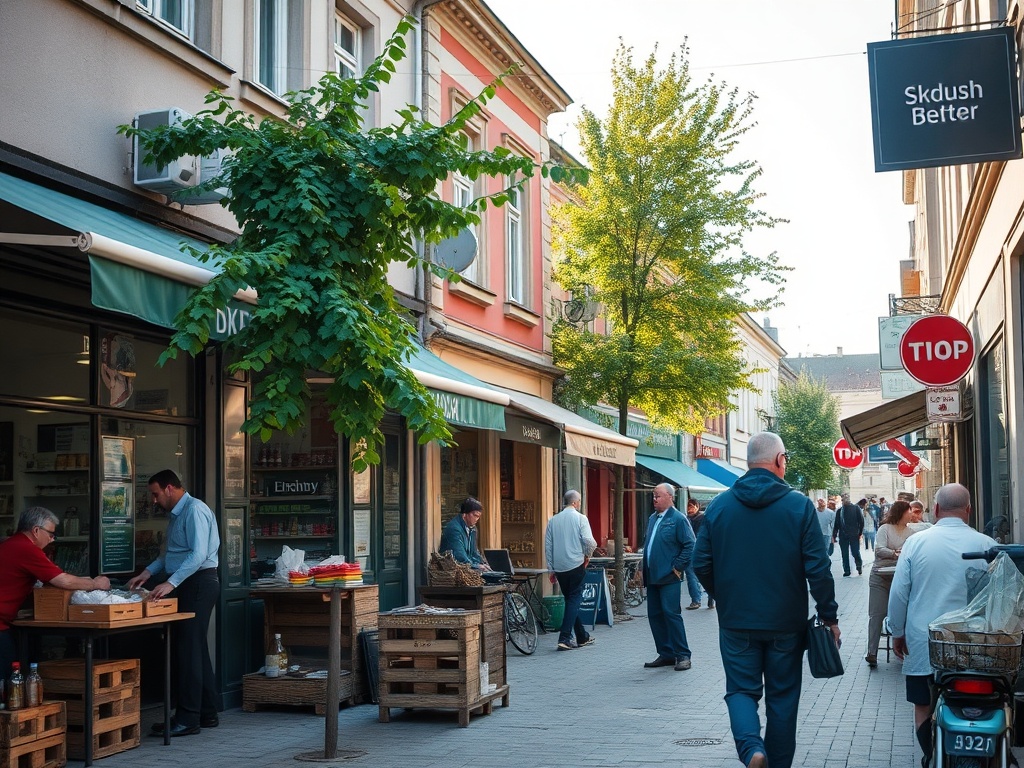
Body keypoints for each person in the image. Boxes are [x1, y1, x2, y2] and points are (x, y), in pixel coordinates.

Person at [694, 432, 838, 768]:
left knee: (740, 691)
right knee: (783, 699)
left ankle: (752, 750)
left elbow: (700, 563)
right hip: (786, 622)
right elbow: (818, 569)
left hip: (737, 621)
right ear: (779, 460)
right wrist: (829, 616)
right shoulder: (798, 506)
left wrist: (724, 595)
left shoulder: (720, 505)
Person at [888, 483, 996, 766]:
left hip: (925, 641)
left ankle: (931, 755)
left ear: (935, 509)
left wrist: (897, 632)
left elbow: (899, 594)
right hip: (975, 645)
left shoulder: (916, 543)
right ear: (968, 510)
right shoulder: (986, 545)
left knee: (923, 703)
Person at [126, 470, 220, 737]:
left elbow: (199, 554)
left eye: (156, 494)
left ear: (169, 488)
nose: (154, 500)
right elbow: (169, 554)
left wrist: (171, 583)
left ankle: (188, 718)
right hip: (188, 581)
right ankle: (207, 712)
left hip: (198, 582)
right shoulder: (177, 515)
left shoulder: (194, 510)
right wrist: (147, 573)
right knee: (195, 647)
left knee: (187, 649)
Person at [0, 507, 111, 676]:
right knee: (8, 677)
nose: (52, 539)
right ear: (36, 531)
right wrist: (95, 583)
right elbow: (63, 580)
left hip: (6, 622)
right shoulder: (27, 549)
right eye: (50, 534)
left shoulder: (10, 544)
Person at [641, 483, 694, 672]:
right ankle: (666, 653)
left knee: (671, 614)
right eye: (653, 496)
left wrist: (677, 566)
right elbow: (649, 544)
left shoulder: (678, 519)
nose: (654, 499)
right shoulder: (653, 518)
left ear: (670, 497)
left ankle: (683, 655)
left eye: (658, 496)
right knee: (655, 615)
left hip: (669, 576)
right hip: (652, 575)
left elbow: (690, 545)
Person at [864, 500, 923, 668]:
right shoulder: (885, 529)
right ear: (901, 512)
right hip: (880, 577)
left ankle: (905, 650)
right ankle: (872, 652)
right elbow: (879, 549)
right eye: (909, 511)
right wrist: (895, 553)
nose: (911, 514)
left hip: (900, 578)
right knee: (877, 614)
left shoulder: (911, 533)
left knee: (906, 613)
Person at [544, 490, 597, 651]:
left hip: (560, 566)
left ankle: (582, 636)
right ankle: (565, 637)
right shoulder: (581, 518)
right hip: (575, 563)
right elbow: (590, 542)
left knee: (570, 600)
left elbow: (548, 546)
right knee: (574, 599)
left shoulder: (553, 520)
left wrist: (551, 568)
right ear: (575, 502)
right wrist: (587, 555)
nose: (579, 504)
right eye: (579, 501)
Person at [438, 497, 490, 570]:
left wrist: (483, 563)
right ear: (464, 514)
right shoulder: (454, 529)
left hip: (466, 569)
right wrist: (476, 566)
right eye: (475, 515)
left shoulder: (473, 528)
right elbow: (459, 557)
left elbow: (474, 553)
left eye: (478, 516)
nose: (477, 519)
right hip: (453, 570)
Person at [684, 498, 712, 609]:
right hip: (691, 551)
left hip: (699, 550)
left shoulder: (701, 519)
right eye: (688, 507)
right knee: (692, 575)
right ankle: (697, 599)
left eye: (692, 507)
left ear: (697, 507)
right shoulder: (686, 519)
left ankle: (701, 599)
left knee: (694, 575)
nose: (690, 509)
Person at [832, 492, 864, 576]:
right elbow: (836, 524)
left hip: (854, 534)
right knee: (844, 554)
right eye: (843, 498)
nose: (845, 500)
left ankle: (859, 566)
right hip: (843, 535)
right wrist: (834, 535)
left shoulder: (856, 508)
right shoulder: (840, 511)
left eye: (846, 498)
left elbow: (861, 521)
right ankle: (846, 570)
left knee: (855, 552)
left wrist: (860, 533)